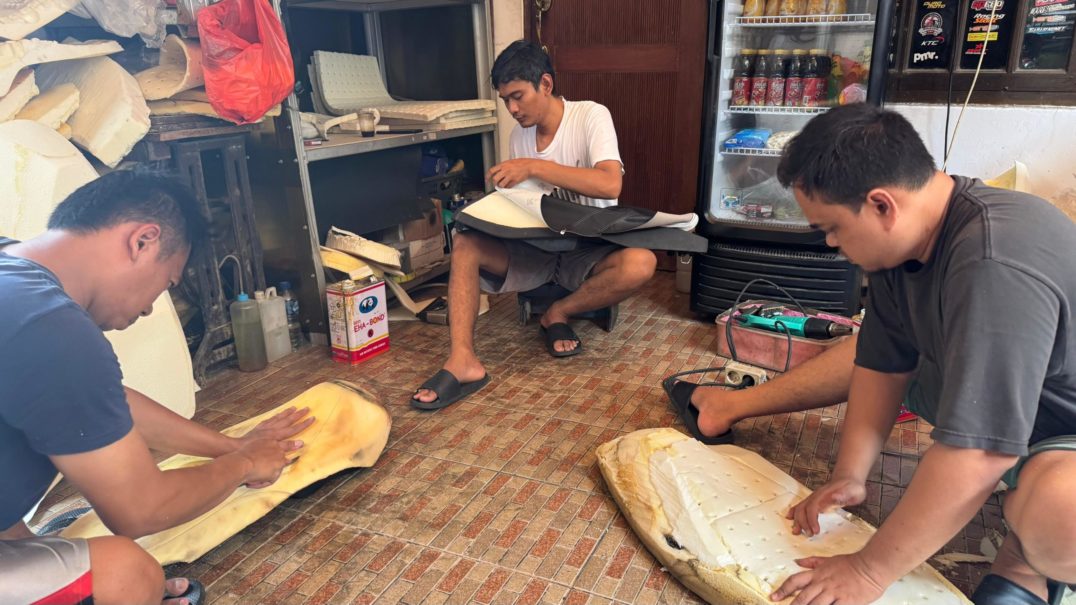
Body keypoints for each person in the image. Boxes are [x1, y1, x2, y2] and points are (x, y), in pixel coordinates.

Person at [669, 104, 1076, 605]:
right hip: (1021, 409)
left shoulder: (994, 263)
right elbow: (881, 363)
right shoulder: (906, 242)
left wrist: (868, 570)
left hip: (1062, 431)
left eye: (832, 228)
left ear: (882, 205)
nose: (833, 244)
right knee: (862, 348)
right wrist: (850, 475)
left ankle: (1026, 565)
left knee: (1057, 514)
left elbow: (981, 452)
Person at [0, 170, 314, 605]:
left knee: (58, 555)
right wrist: (243, 465)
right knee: (127, 574)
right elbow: (140, 510)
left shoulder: (13, 274)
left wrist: (231, 445)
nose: (150, 309)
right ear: (143, 240)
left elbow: (104, 402)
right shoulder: (48, 324)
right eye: (167, 284)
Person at [412, 40, 657, 410]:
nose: (512, 109)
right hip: (537, 249)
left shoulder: (591, 116)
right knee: (465, 242)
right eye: (505, 100)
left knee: (641, 263)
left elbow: (610, 184)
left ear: (545, 83)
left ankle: (560, 312)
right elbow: (525, 203)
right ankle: (463, 360)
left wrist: (533, 167)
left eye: (518, 96)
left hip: (588, 249)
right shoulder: (519, 135)